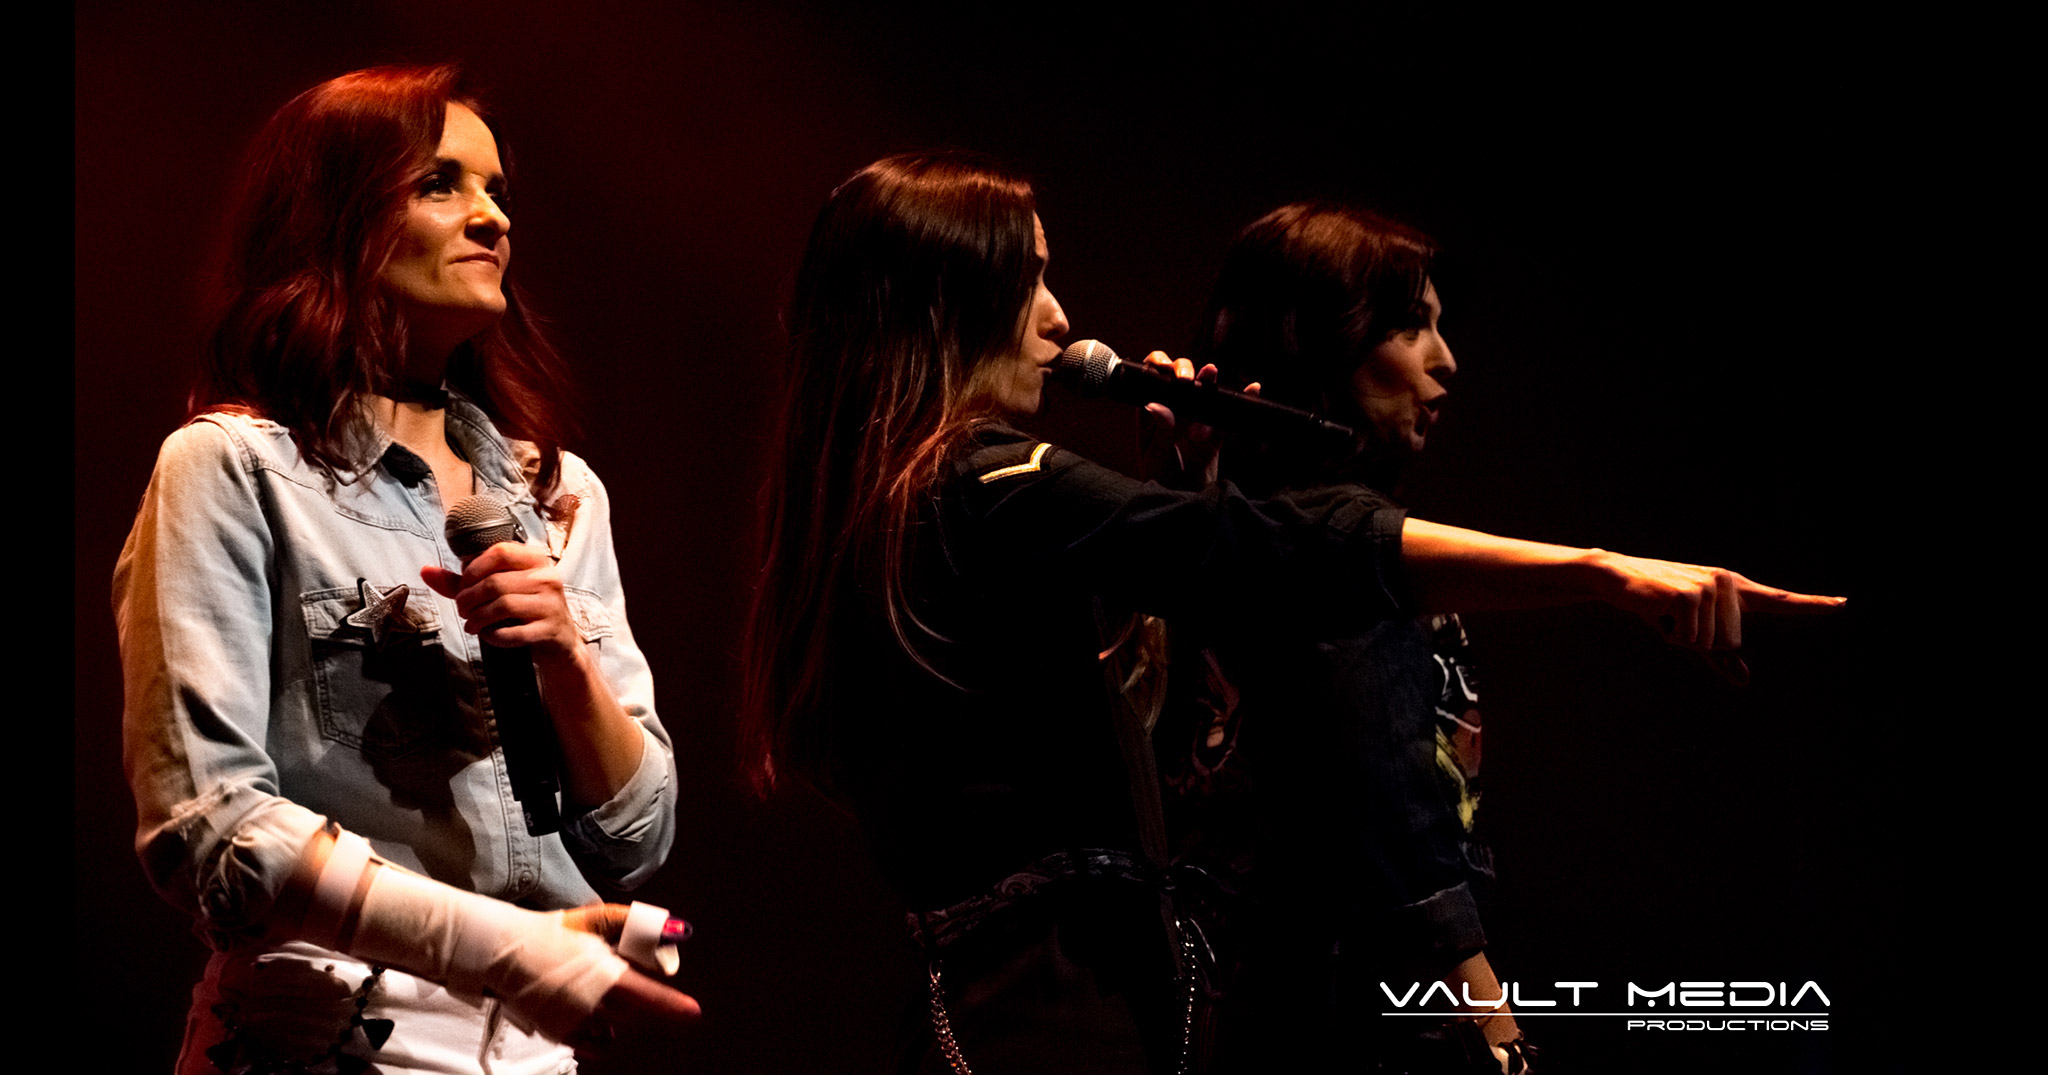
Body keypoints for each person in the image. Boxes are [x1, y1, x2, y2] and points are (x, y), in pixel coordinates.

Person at [739, 154, 1839, 1075]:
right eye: (1028, 278)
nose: (1059, 316)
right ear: (949, 297)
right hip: (1056, 1018)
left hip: (1016, 1002)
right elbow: (1285, 557)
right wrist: (1604, 569)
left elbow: (1127, 738)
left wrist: (1164, 505)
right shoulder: (989, 483)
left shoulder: (914, 499)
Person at [114, 64, 698, 1074]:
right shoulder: (234, 467)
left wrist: (564, 657)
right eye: (441, 184)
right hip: (327, 1034)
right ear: (331, 217)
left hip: (535, 1047)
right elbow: (209, 828)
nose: (492, 218)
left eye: (498, 191)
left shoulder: (559, 492)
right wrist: (505, 947)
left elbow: (637, 836)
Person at [1159, 203, 1533, 1072]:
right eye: (1412, 327)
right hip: (1342, 1007)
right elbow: (1390, 811)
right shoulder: (1337, 555)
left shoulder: (1216, 530)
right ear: (1318, 340)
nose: (1447, 361)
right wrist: (1495, 1024)